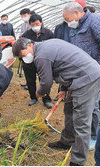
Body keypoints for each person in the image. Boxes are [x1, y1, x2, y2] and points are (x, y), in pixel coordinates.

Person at [12, 37, 100, 166]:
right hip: (78, 77)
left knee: (81, 121)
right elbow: (65, 66)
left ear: (30, 45)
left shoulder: (41, 56)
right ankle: (67, 141)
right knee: (68, 108)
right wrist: (64, 89)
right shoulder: (47, 45)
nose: (24, 58)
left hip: (86, 78)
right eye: (21, 57)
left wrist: (38, 93)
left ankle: (78, 161)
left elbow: (46, 82)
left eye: (23, 54)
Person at [63, 2, 100, 149]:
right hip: (79, 73)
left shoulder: (94, 22)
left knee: (94, 104)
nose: (67, 22)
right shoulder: (74, 27)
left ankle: (93, 136)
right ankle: (75, 135)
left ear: (77, 13)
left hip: (94, 72)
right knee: (77, 105)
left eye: (68, 18)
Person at [21, 14, 54, 108]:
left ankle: (46, 99)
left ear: (41, 22)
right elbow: (21, 48)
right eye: (32, 24)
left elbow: (53, 46)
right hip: (29, 62)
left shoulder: (48, 33)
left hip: (43, 62)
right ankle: (33, 97)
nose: (35, 26)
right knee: (30, 80)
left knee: (44, 80)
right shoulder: (26, 35)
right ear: (29, 25)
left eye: (37, 23)